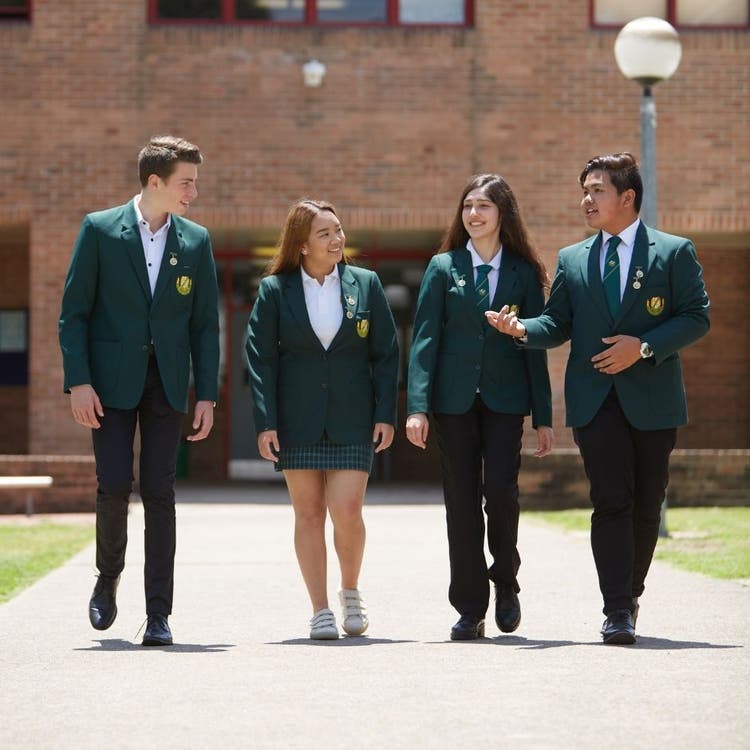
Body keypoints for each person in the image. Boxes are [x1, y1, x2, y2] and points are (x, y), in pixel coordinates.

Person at [486, 153, 710, 645]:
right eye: (584, 191)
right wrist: (521, 327)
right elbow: (558, 323)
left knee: (647, 503)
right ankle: (615, 610)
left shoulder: (673, 252)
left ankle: (630, 593)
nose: (586, 200)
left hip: (653, 399)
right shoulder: (572, 258)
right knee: (611, 501)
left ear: (627, 197)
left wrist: (643, 347)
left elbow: (696, 316)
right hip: (595, 401)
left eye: (597, 191)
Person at [59, 135, 220, 647]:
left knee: (160, 492)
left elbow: (204, 328)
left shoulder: (196, 241)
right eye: (186, 182)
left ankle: (158, 614)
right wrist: (78, 382)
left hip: (168, 385)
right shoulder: (101, 229)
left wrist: (207, 395)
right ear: (155, 182)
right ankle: (108, 578)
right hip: (107, 385)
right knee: (112, 486)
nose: (193, 191)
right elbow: (74, 313)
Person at [406, 174, 554, 641]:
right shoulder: (442, 267)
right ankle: (470, 608)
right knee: (461, 502)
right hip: (453, 403)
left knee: (502, 494)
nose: (473, 214)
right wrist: (417, 406)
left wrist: (544, 416)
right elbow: (425, 339)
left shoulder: (524, 273)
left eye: (483, 206)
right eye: (468, 205)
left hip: (506, 401)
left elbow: (535, 343)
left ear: (502, 213)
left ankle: (505, 581)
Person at [246, 199, 399, 640]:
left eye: (338, 230)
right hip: (297, 420)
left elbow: (386, 354)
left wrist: (385, 413)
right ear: (302, 245)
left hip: (354, 417)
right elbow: (260, 359)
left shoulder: (365, 284)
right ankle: (320, 609)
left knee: (347, 511)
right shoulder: (276, 290)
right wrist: (266, 420)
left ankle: (350, 591)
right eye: (325, 233)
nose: (337, 240)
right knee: (308, 513)